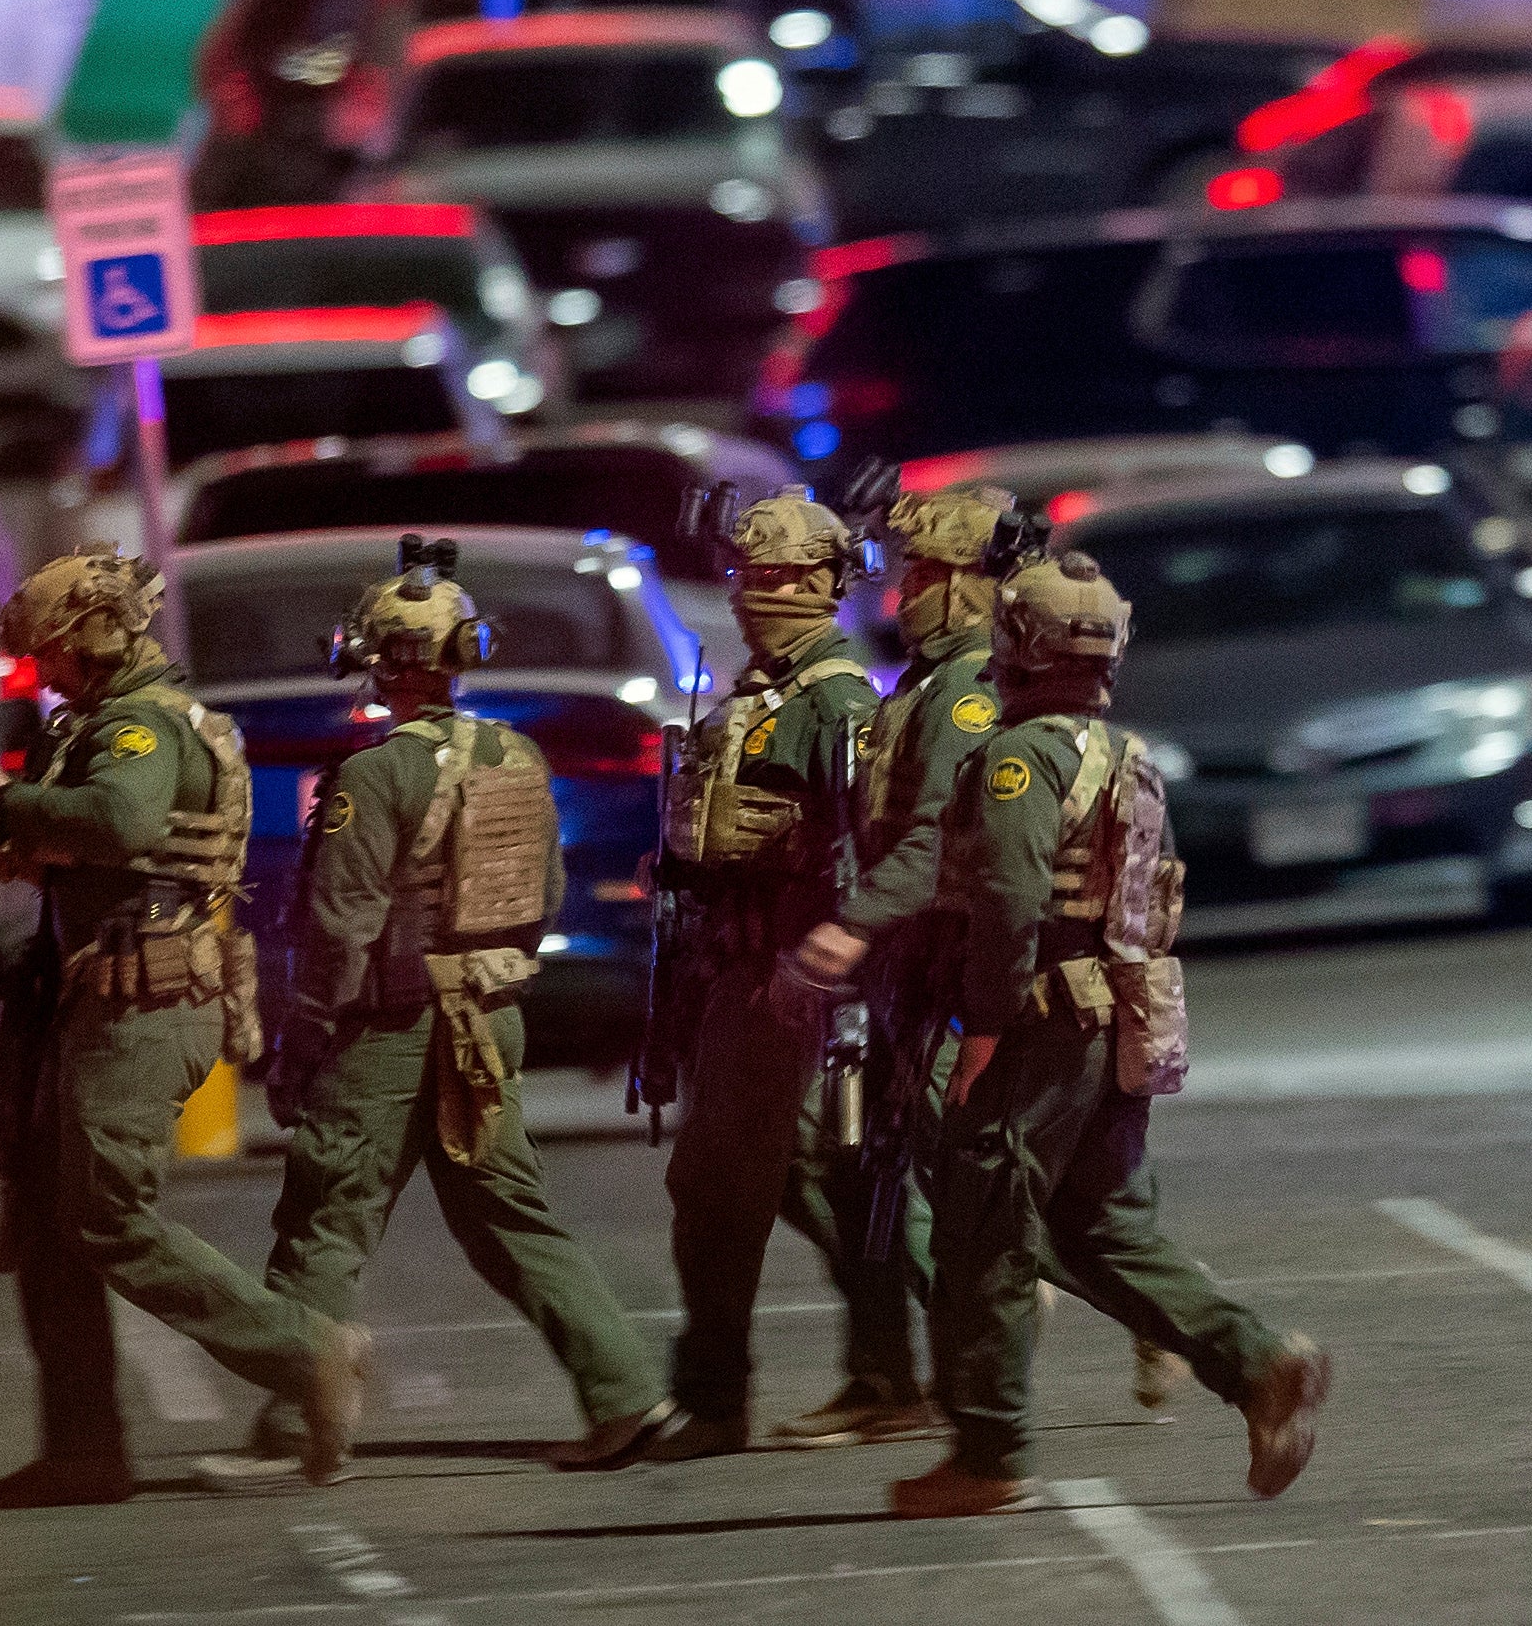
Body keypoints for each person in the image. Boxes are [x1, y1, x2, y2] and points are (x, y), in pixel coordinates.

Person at [192, 539, 671, 1490]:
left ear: (379, 656)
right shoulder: (516, 756)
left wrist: (302, 1037)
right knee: (509, 1214)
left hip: (390, 1026)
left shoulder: (373, 777)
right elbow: (544, 888)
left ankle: (298, 1416)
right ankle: (623, 1390)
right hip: (489, 1016)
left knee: (328, 1212)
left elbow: (341, 925)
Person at [895, 551, 1330, 1519]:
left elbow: (1008, 900)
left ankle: (989, 1451)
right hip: (1108, 1022)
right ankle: (1258, 1364)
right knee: (1098, 1229)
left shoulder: (1023, 758)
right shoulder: (1125, 756)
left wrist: (983, 1027)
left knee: (984, 1237)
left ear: (1019, 645)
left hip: (1037, 1026)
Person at [0, 546, 367, 1507]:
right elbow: (87, 847)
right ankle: (83, 1449)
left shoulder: (137, 727)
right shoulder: (95, 720)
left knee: (104, 1216)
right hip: (94, 995)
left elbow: (125, 823)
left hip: (144, 998)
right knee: (51, 1230)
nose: (40, 672)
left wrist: (2, 799)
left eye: (49, 652)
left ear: (90, 637)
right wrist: (12, 821)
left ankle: (309, 1354)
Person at [787, 486, 1179, 1445]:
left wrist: (858, 925)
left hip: (943, 977)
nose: (908, 590)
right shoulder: (925, 684)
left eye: (927, 572)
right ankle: (900, 1373)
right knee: (880, 1167)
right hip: (908, 977)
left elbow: (950, 852)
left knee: (985, 1191)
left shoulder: (969, 695)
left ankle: (1131, 1335)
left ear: (975, 589)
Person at [645, 488, 885, 1461]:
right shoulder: (759, 691)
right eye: (747, 574)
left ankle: (718, 1399)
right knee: (781, 1182)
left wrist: (841, 972)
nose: (757, 594)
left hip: (790, 983)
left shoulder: (837, 702)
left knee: (721, 1188)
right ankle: (914, 1339)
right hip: (732, 972)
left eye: (782, 576)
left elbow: (870, 851)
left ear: (827, 583)